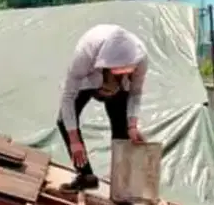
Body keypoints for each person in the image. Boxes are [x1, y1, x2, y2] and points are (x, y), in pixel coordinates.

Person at [56, 24, 147, 192]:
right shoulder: (84, 56)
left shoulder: (139, 58)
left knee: (122, 129)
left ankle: (121, 188)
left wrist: (132, 126)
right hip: (86, 81)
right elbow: (68, 97)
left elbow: (135, 93)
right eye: (106, 91)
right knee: (64, 120)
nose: (107, 96)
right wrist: (74, 141)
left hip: (119, 82)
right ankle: (86, 176)